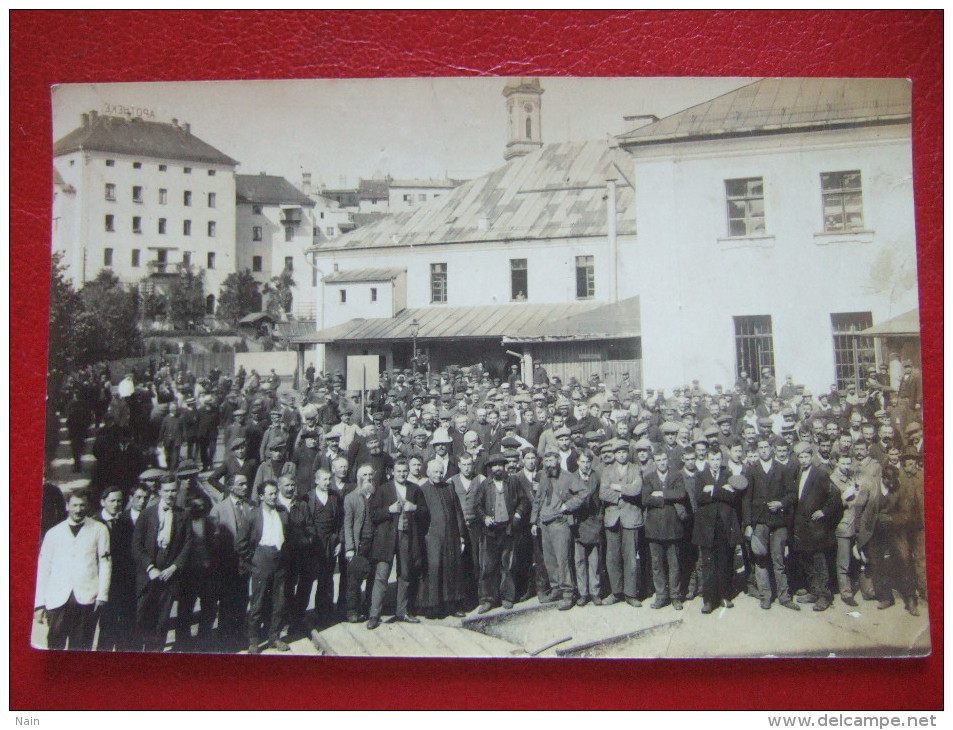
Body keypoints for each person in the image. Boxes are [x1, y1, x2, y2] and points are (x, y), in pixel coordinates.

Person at [34, 489, 111, 650]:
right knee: (55, 643)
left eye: (82, 505)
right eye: (74, 505)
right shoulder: (53, 533)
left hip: (86, 596)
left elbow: (105, 564)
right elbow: (43, 569)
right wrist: (39, 603)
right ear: (67, 506)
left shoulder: (99, 529)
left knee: (81, 646)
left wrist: (102, 595)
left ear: (88, 506)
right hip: (58, 598)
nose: (78, 509)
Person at [132, 476, 192, 651]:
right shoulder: (147, 514)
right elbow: (136, 545)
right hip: (148, 575)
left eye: (173, 490)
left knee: (162, 620)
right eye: (166, 490)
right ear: (159, 491)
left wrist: (174, 567)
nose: (170, 494)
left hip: (169, 575)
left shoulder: (183, 515)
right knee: (142, 617)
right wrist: (150, 567)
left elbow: (188, 544)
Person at [366, 459, 426, 629]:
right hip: (386, 539)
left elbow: (424, 512)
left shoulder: (415, 489)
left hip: (407, 536)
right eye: (398, 471)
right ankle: (374, 615)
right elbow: (373, 514)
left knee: (405, 575)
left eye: (404, 471)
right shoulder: (383, 489)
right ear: (393, 472)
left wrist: (414, 507)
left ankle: (403, 611)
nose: (402, 474)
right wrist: (388, 511)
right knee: (381, 576)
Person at [856, 465, 921, 616]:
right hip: (874, 531)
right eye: (889, 481)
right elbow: (859, 509)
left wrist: (891, 519)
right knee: (877, 563)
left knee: (904, 560)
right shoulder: (871, 486)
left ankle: (911, 599)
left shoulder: (900, 488)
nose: (893, 484)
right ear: (883, 478)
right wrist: (858, 534)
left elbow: (907, 514)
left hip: (895, 531)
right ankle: (886, 597)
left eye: (894, 481)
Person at [743, 437, 798, 611]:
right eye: (760, 447)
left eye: (766, 447)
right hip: (760, 521)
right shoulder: (751, 471)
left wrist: (781, 503)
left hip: (779, 521)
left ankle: (784, 596)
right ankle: (765, 596)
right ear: (757, 450)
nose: (764, 450)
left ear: (772, 449)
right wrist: (748, 524)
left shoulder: (783, 469)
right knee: (760, 558)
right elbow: (746, 499)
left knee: (779, 559)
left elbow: (792, 494)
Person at [532, 450, 588, 611]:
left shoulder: (568, 477)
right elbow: (538, 500)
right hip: (544, 523)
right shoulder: (543, 476)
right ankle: (556, 589)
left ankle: (568, 593)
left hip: (560, 523)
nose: (549, 464)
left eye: (552, 460)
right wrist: (534, 522)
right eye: (546, 461)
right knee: (550, 560)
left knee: (562, 560)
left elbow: (584, 493)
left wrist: (568, 506)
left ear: (558, 461)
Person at [790, 442, 842, 612]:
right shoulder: (798, 473)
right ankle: (814, 591)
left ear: (811, 457)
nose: (803, 460)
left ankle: (825, 596)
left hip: (816, 528)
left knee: (820, 563)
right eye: (800, 457)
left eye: (806, 457)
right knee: (807, 562)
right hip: (802, 528)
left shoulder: (820, 474)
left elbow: (834, 496)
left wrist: (824, 511)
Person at [240, 480, 291, 653]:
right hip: (261, 562)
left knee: (279, 602)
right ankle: (253, 641)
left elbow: (288, 536)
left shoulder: (283, 513)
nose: (274, 496)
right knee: (257, 603)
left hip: (280, 563)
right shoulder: (253, 515)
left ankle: (274, 637)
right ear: (261, 496)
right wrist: (253, 560)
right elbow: (241, 543)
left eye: (275, 493)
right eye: (270, 494)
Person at [476, 453, 530, 613]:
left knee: (508, 564)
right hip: (491, 531)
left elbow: (524, 501)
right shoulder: (485, 484)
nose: (498, 468)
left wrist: (518, 515)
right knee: (488, 566)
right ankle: (487, 600)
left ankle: (507, 597)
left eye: (500, 465)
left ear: (504, 466)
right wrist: (484, 517)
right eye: (494, 465)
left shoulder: (512, 481)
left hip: (508, 529)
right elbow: (477, 505)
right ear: (490, 468)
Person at [693, 453, 746, 614]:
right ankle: (708, 600)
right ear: (707, 460)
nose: (715, 463)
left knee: (725, 562)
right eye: (712, 459)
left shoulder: (728, 475)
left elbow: (732, 497)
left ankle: (724, 596)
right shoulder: (700, 476)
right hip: (707, 527)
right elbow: (699, 497)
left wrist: (712, 490)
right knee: (708, 564)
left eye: (718, 459)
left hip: (724, 526)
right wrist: (720, 491)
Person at [416, 459, 468, 619]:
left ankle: (453, 604)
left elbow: (458, 512)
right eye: (435, 472)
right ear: (428, 472)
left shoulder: (449, 488)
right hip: (432, 537)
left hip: (451, 536)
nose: (438, 475)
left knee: (452, 568)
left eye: (441, 472)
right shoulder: (422, 490)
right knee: (434, 569)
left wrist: (461, 535)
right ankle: (432, 606)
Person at [209, 473, 253, 649]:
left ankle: (239, 634)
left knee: (242, 600)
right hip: (226, 564)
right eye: (241, 484)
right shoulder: (219, 509)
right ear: (230, 487)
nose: (245, 487)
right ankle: (225, 638)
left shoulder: (249, 507)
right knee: (227, 602)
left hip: (245, 562)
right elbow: (212, 540)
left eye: (246, 484)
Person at [599, 439, 645, 607]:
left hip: (631, 518)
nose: (621, 455)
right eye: (618, 452)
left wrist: (617, 488)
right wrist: (622, 493)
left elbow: (637, 490)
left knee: (630, 557)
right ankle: (616, 592)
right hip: (612, 519)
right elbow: (603, 493)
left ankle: (630, 593)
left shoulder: (635, 468)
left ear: (628, 452)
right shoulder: (606, 470)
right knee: (612, 557)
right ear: (614, 454)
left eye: (624, 452)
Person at [91, 485, 136, 651]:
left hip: (122, 583)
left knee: (124, 625)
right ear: (103, 502)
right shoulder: (94, 523)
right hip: (102, 582)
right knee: (106, 626)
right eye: (112, 501)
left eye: (119, 501)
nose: (116, 504)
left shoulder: (125, 522)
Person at [642, 451, 689, 610]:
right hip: (654, 529)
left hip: (672, 527)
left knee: (674, 564)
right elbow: (645, 498)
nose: (661, 462)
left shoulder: (676, 475)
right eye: (658, 459)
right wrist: (668, 498)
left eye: (663, 459)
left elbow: (681, 494)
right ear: (654, 461)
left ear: (668, 460)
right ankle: (661, 596)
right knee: (657, 564)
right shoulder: (648, 477)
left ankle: (675, 596)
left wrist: (660, 494)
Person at [342, 465, 376, 623]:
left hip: (375, 542)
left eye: (370, 474)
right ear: (358, 478)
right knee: (354, 580)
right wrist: (349, 547)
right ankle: (352, 611)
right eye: (365, 475)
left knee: (373, 578)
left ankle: (368, 608)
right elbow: (347, 525)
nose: (368, 477)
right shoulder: (351, 498)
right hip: (359, 543)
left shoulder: (377, 494)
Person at [571, 450, 603, 607]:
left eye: (588, 462)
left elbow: (599, 501)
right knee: (580, 560)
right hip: (578, 523)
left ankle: (595, 592)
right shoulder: (572, 477)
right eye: (582, 462)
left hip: (593, 521)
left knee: (594, 561)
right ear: (577, 462)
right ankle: (583, 593)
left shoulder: (596, 477)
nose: (585, 465)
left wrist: (599, 520)